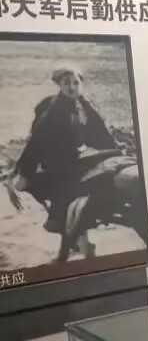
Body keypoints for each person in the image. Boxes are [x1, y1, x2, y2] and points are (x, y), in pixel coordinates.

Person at [6, 66, 121, 254]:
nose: (72, 87)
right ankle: (76, 240)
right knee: (60, 196)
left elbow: (99, 131)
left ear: (81, 84)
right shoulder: (53, 111)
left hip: (76, 159)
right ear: (59, 85)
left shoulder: (85, 105)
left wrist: (114, 149)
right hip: (56, 163)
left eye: (76, 83)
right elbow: (36, 142)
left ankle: (73, 241)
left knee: (98, 183)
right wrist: (23, 171)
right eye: (66, 83)